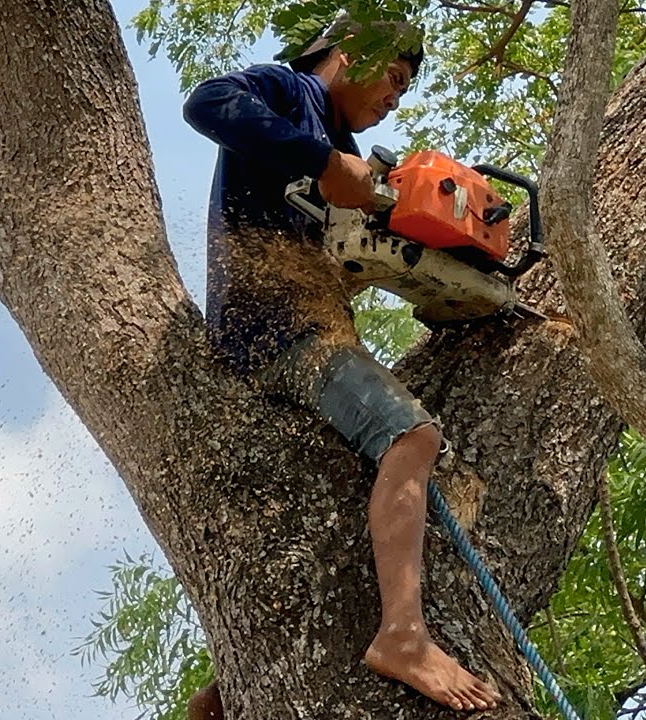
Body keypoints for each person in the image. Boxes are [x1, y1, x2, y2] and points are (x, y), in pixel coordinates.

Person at [179, 14, 502, 717]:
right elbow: (207, 103)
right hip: (273, 330)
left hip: (296, 333)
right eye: (395, 77)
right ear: (352, 51)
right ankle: (405, 637)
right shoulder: (287, 91)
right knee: (411, 435)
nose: (397, 98)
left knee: (323, 506)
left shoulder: (353, 157)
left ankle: (227, 692)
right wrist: (324, 163)